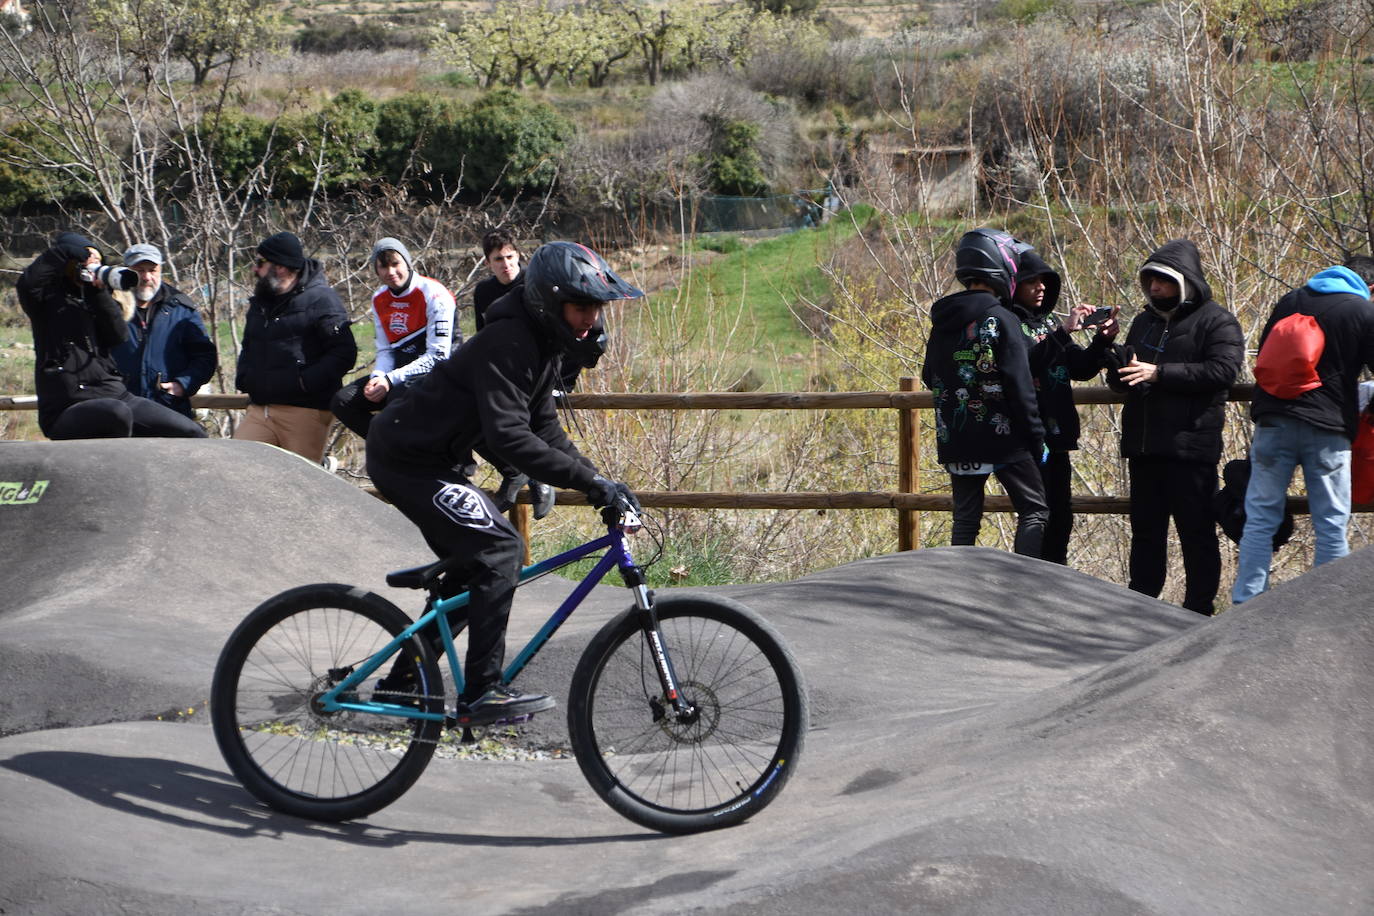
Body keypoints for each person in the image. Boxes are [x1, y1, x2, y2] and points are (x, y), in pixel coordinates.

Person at [366, 241, 643, 724]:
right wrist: (590, 482)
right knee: (502, 551)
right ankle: (482, 693)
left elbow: (546, 430)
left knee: (477, 570)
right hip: (406, 458)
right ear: (548, 301)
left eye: (596, 309)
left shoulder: (540, 345)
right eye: (582, 307)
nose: (590, 320)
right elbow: (509, 436)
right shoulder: (508, 343)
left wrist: (600, 481)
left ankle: (403, 682)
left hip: (435, 460)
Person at [1106, 239, 1243, 616]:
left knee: (1196, 533)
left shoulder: (1217, 321)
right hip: (1144, 445)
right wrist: (1115, 361)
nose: (1154, 288)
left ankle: (1198, 611)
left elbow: (1223, 371)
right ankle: (1140, 606)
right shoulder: (1144, 322)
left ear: (1185, 282)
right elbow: (1125, 381)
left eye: (1162, 281)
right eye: (1149, 281)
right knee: (1146, 533)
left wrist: (1159, 373)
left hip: (1190, 447)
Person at [1231, 255, 1374, 604]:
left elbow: (1265, 355)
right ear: (1370, 287)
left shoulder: (1290, 301)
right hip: (1327, 428)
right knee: (1330, 521)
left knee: (1260, 518)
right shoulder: (1361, 311)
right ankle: (1325, 608)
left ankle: (1246, 602)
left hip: (1273, 421)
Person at [922, 227, 1049, 558]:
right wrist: (1037, 439)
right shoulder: (1001, 318)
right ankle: (1024, 589)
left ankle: (957, 594)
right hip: (1003, 438)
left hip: (956, 437)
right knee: (1034, 511)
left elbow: (928, 375)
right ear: (1001, 265)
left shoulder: (942, 321)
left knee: (965, 521)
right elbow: (1020, 388)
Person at [17, 231, 206, 439]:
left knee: (190, 431)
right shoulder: (44, 302)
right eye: (88, 263)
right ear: (70, 264)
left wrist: (97, 292)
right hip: (67, 404)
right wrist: (67, 251)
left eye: (98, 262)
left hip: (115, 394)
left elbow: (117, 336)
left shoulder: (95, 298)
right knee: (116, 413)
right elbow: (28, 284)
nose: (93, 267)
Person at [1010, 246, 1120, 565]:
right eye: (1031, 281)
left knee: (1061, 517)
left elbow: (1080, 368)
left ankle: (1055, 584)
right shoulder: (1007, 324)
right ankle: (1027, 584)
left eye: (1044, 281)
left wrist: (1102, 340)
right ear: (1014, 285)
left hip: (1057, 438)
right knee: (1037, 516)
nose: (1041, 287)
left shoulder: (1046, 325)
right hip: (1029, 438)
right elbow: (1022, 366)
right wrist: (1063, 331)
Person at [233, 231, 356, 463]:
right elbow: (249, 346)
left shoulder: (322, 300)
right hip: (260, 409)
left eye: (260, 263)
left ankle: (323, 470)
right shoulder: (260, 304)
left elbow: (344, 353)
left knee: (301, 486)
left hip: (304, 410)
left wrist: (305, 382)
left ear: (280, 266)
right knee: (234, 466)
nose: (254, 270)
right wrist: (245, 378)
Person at [330, 238, 457, 440]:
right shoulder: (379, 298)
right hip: (399, 371)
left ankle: (404, 450)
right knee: (342, 401)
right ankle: (387, 445)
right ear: (376, 270)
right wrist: (376, 379)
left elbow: (438, 356)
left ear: (407, 262)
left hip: (438, 371)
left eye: (395, 263)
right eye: (383, 266)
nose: (390, 272)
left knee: (397, 399)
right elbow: (385, 350)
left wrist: (389, 380)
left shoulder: (434, 294)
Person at [111, 243, 218, 420]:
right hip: (121, 410)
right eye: (139, 270)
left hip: (168, 409)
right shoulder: (110, 306)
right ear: (126, 271)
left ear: (160, 271)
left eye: (152, 270)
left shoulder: (181, 308)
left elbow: (205, 356)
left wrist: (182, 385)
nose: (146, 277)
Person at [472, 229, 522, 332]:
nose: (506, 264)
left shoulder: (533, 282)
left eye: (509, 257)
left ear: (517, 256)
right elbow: (482, 334)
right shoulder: (483, 291)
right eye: (499, 259)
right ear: (487, 263)